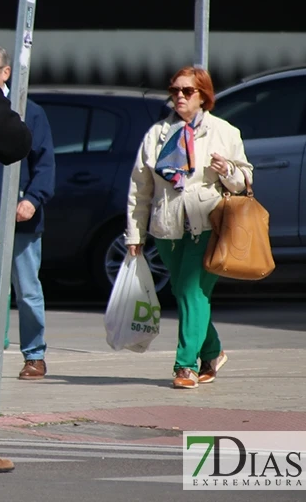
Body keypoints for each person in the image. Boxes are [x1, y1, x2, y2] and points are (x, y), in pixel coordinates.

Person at [126, 66, 249, 389]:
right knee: (184, 293)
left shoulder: (225, 132)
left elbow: (243, 182)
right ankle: (213, 350)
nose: (178, 97)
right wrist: (135, 234)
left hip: (208, 224)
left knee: (192, 291)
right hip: (167, 227)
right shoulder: (157, 135)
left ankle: (185, 366)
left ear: (203, 96)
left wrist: (228, 171)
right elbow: (140, 189)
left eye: (187, 91)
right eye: (174, 91)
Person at [0, 44, 56, 381]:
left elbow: (45, 164)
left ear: (5, 73)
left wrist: (32, 199)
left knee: (27, 290)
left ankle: (35, 355)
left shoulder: (29, 112)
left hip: (21, 220)